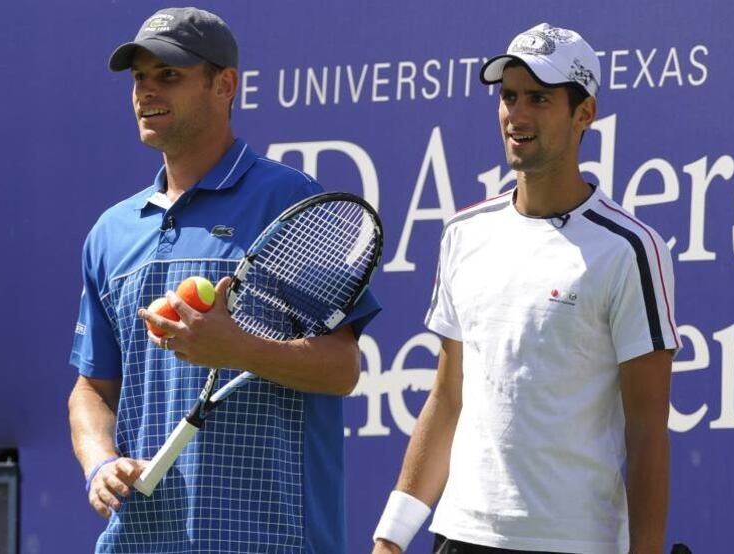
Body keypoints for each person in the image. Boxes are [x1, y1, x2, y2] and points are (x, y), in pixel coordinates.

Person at [68, 7, 380, 552]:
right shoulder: (110, 233)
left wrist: (237, 348)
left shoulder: (287, 199)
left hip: (272, 538)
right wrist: (100, 463)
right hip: (140, 540)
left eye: (169, 74)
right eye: (140, 76)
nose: (147, 90)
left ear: (224, 85)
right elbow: (92, 389)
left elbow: (342, 367)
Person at [372, 23, 679, 554]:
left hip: (575, 543)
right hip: (460, 535)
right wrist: (392, 536)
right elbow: (448, 399)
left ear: (585, 114)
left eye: (539, 98)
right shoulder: (463, 234)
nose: (517, 114)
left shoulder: (631, 248)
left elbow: (648, 431)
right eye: (509, 96)